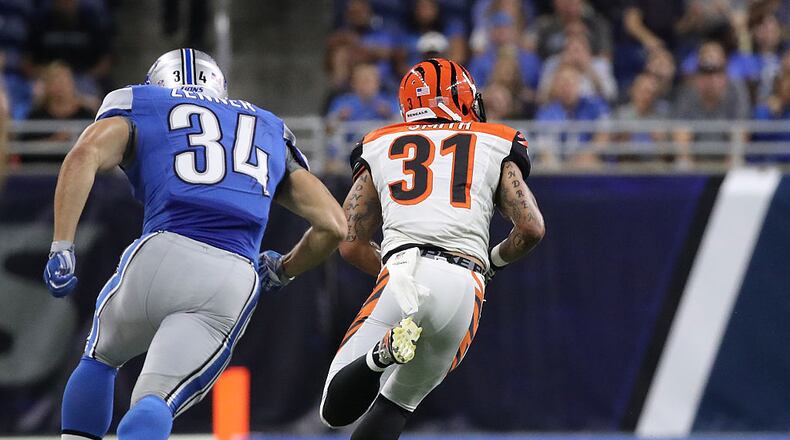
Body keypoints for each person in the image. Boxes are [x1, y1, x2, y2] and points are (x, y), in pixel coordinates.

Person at [43, 48, 345, 440]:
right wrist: (283, 269)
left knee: (100, 359)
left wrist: (61, 244)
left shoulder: (141, 101)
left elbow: (83, 155)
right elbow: (334, 226)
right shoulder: (267, 127)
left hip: (159, 254)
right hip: (231, 274)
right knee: (155, 401)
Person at [310, 58, 545, 440]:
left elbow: (350, 245)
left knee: (334, 411)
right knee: (398, 403)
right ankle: (383, 356)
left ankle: (380, 355)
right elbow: (531, 228)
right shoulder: (497, 139)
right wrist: (492, 265)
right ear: (464, 97)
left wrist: (396, 276)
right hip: (466, 285)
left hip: (406, 270)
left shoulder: (379, 142)